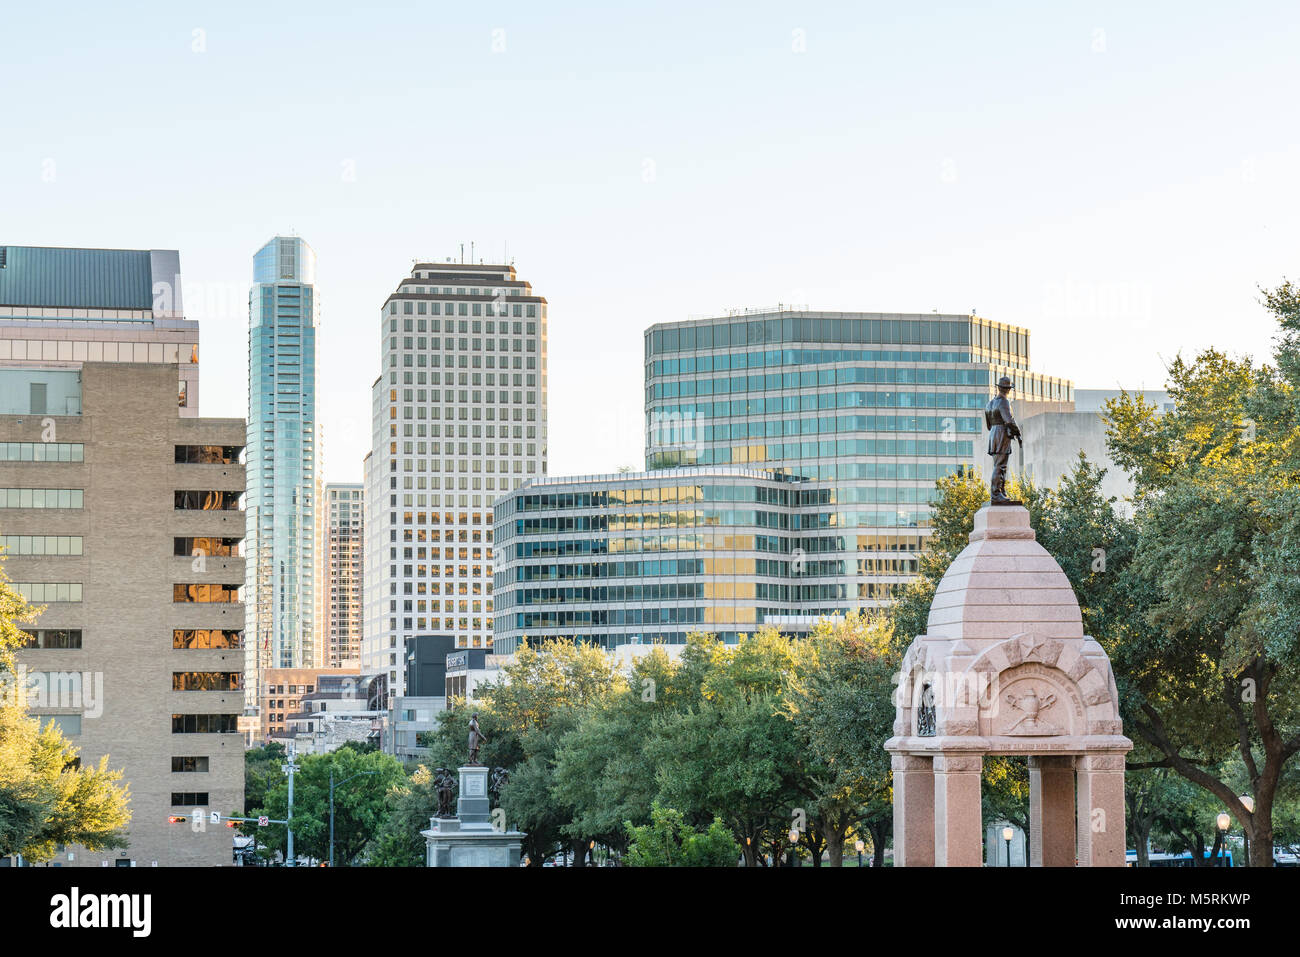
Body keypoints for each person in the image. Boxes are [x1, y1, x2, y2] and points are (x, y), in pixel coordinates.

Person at [984, 376, 1021, 504]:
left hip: (994, 435)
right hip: (1001, 435)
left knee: (999, 465)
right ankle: (996, 494)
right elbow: (1009, 420)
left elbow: (988, 425)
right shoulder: (1004, 402)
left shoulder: (989, 404)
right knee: (1000, 465)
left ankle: (1001, 491)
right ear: (1008, 390)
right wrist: (1018, 432)